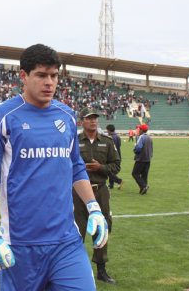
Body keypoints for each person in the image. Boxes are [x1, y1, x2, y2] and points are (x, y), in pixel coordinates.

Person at [0, 44, 108, 291]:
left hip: (66, 241)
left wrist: (94, 208)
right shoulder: (3, 115)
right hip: (20, 243)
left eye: (54, 75)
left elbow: (76, 166)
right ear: (24, 76)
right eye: (41, 75)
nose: (49, 82)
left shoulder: (67, 114)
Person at [74, 109, 121, 283]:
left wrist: (100, 168)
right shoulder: (74, 141)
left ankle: (101, 269)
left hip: (100, 190)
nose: (93, 121)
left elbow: (116, 166)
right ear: (82, 121)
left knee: (102, 228)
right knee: (76, 229)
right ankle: (75, 270)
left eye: (95, 118)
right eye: (89, 118)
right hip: (77, 192)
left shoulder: (107, 142)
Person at [132, 124, 153, 194]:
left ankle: (144, 186)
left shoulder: (141, 137)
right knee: (144, 175)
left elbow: (138, 147)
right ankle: (143, 190)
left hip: (141, 159)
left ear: (141, 130)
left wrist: (134, 151)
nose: (138, 130)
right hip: (148, 158)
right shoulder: (149, 137)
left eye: (139, 129)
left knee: (135, 173)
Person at [105, 124, 123, 190]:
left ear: (109, 130)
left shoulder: (109, 137)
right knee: (111, 171)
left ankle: (119, 181)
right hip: (118, 155)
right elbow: (119, 145)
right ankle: (111, 185)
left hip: (111, 156)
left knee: (108, 171)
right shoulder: (117, 137)